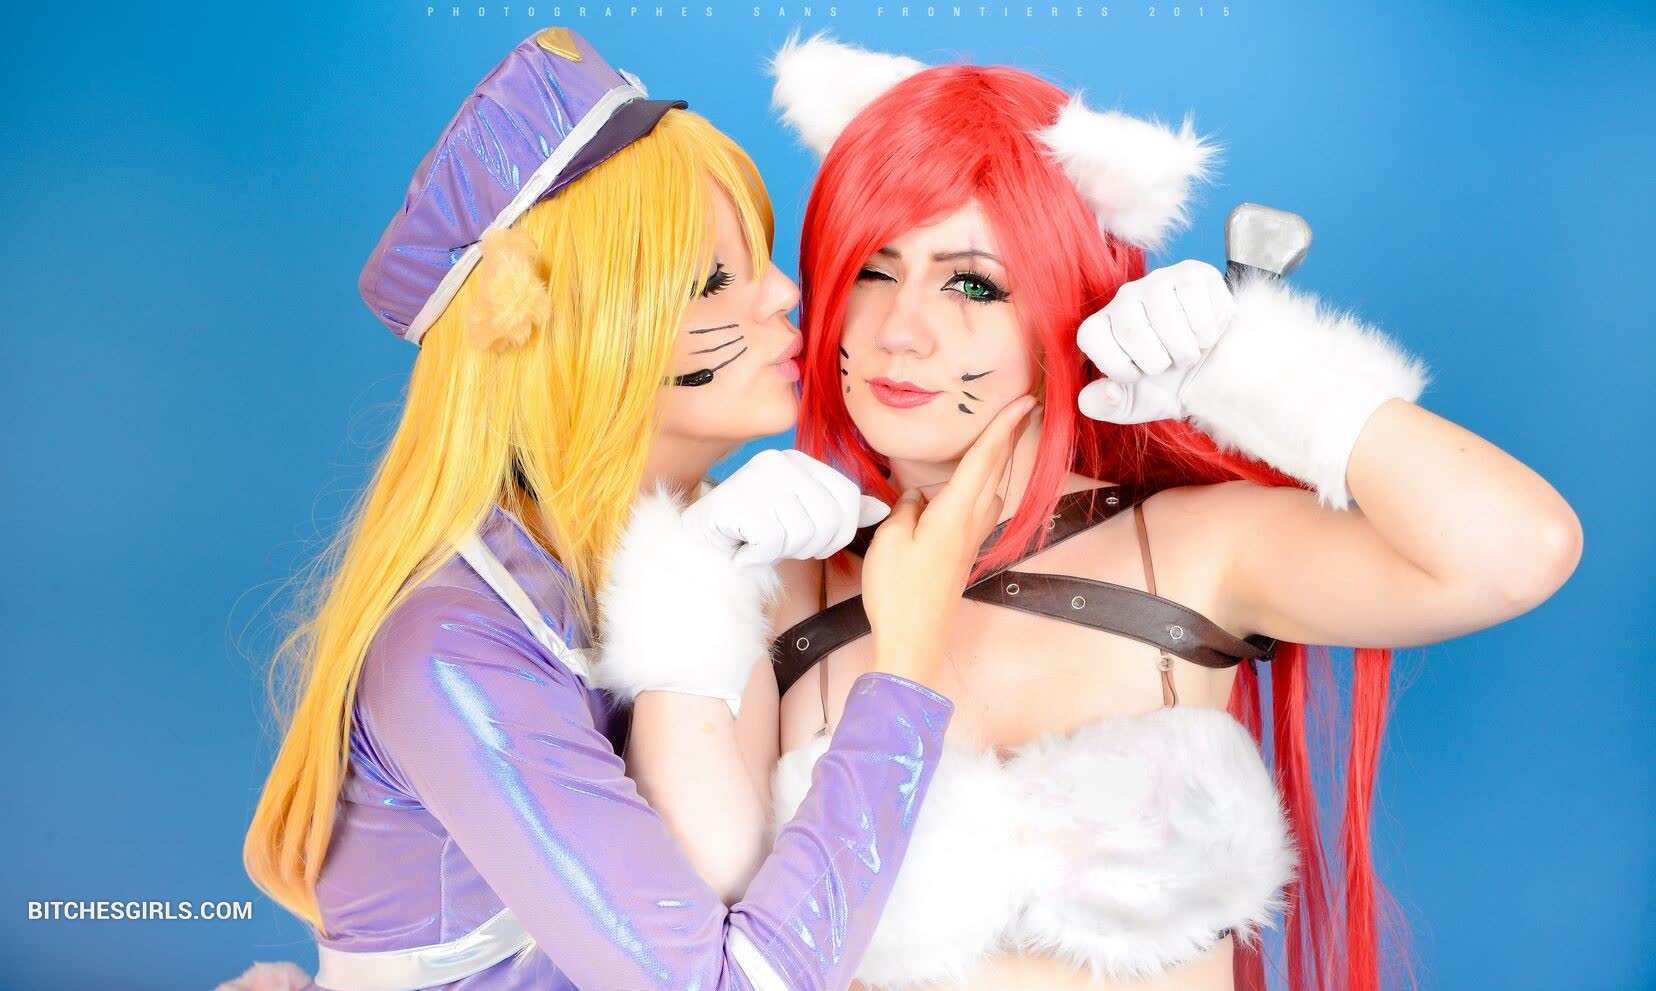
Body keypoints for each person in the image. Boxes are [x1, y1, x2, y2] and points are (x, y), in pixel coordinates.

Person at [628, 34, 1584, 991]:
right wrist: (690, 584)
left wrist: (1255, 369)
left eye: (973, 282)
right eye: (874, 270)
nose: (902, 330)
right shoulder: (778, 591)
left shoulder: (1193, 547)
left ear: (1063, 302)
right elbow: (700, 925)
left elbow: (1517, 551)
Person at [225, 28, 1029, 991]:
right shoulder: (457, 646)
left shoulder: (694, 552)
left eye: (762, 258)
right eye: (713, 279)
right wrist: (905, 668)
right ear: (583, 336)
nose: (784, 292)